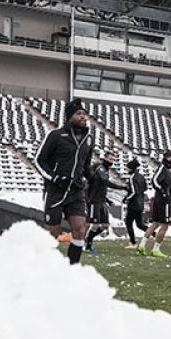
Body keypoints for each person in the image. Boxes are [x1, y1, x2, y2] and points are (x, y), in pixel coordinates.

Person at [35, 98, 95, 264]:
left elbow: (86, 165)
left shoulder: (88, 139)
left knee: (80, 230)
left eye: (84, 113)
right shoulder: (55, 135)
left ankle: (72, 267)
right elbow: (39, 160)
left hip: (76, 190)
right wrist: (54, 177)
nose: (83, 116)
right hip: (55, 190)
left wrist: (92, 178)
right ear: (69, 116)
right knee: (54, 233)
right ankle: (44, 264)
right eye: (79, 113)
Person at [137, 150, 171, 258]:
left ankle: (142, 245)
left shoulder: (167, 169)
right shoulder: (162, 168)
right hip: (164, 202)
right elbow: (154, 180)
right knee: (165, 225)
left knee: (155, 224)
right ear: (165, 158)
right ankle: (156, 249)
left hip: (160, 200)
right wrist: (163, 192)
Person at [84, 150, 128, 253]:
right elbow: (106, 182)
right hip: (94, 201)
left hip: (102, 201)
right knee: (92, 223)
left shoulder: (106, 170)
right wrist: (122, 187)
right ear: (104, 158)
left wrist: (108, 201)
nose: (111, 161)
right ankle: (85, 244)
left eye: (113, 159)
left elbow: (101, 187)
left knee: (105, 226)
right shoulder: (100, 168)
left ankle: (87, 239)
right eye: (110, 158)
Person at [123, 159, 149, 249]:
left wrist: (126, 198)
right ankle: (153, 233)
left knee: (128, 223)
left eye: (128, 168)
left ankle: (133, 242)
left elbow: (134, 192)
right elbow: (145, 188)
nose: (127, 170)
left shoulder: (132, 177)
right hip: (140, 203)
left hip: (133, 204)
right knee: (140, 224)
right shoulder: (141, 176)